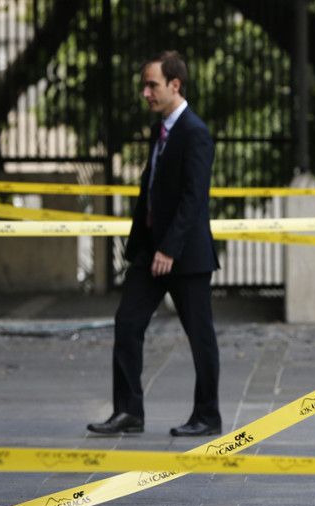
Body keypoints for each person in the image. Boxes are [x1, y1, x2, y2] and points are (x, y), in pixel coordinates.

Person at [87, 51, 222, 437]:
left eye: (153, 85)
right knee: (127, 324)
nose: (145, 92)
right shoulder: (160, 130)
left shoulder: (194, 132)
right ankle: (128, 411)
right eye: (144, 85)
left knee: (201, 337)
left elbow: (193, 198)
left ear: (174, 85)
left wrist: (170, 248)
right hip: (150, 253)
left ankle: (207, 416)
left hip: (184, 256)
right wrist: (148, 246)